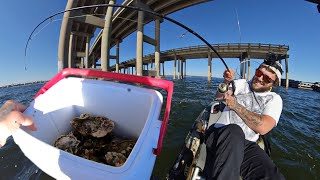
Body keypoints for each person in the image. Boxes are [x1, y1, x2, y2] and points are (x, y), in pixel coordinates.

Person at [204, 59, 285, 179]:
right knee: (234, 130)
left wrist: (235, 105)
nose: (260, 78)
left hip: (247, 145)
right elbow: (219, 97)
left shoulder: (274, 99)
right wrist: (226, 82)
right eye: (259, 73)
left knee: (272, 175)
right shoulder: (241, 84)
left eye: (267, 79)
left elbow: (263, 127)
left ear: (274, 83)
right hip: (219, 135)